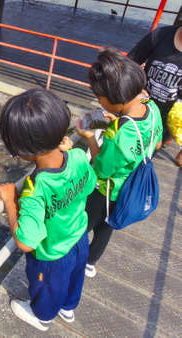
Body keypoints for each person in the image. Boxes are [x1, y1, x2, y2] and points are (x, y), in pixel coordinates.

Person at [0, 88, 97, 331]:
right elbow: (91, 184)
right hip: (79, 238)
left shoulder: (34, 189)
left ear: (21, 153)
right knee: (75, 279)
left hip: (52, 255)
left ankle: (41, 316)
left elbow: (26, 242)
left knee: (49, 288)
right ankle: (68, 308)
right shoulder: (77, 157)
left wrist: (11, 201)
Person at [77, 48, 163, 278]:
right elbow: (156, 143)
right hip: (131, 188)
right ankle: (91, 262)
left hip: (106, 192)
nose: (99, 102)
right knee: (107, 227)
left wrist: (88, 138)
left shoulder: (119, 136)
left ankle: (75, 262)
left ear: (115, 99)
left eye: (99, 98)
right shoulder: (152, 109)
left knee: (82, 227)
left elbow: (100, 167)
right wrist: (118, 119)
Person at [128, 19, 182, 165]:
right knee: (124, 151)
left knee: (145, 159)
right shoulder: (161, 36)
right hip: (139, 107)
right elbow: (129, 63)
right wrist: (137, 86)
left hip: (166, 120)